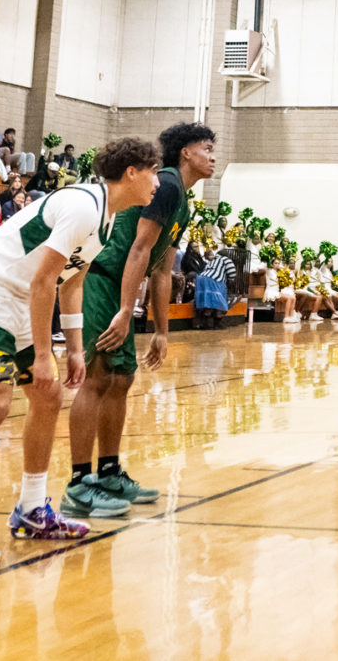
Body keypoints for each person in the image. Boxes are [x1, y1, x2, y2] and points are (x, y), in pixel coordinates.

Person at [0, 136, 162, 569]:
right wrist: (42, 354)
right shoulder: (83, 206)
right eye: (153, 173)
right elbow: (43, 281)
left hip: (22, 300)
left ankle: (33, 510)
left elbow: (71, 283)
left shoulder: (107, 218)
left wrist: (74, 348)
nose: (157, 183)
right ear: (132, 173)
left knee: (48, 396)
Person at [65, 122, 211, 519]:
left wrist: (162, 330)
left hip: (121, 287)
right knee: (97, 378)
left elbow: (162, 269)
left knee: (121, 379)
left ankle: (109, 472)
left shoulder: (183, 200)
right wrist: (127, 310)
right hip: (101, 278)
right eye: (207, 148)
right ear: (185, 152)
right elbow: (138, 250)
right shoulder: (167, 184)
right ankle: (79, 484)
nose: (213, 156)